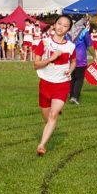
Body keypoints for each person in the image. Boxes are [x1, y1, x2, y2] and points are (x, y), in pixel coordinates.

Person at [33, 14, 75, 156]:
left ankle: (41, 145)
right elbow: (36, 65)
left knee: (52, 116)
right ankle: (54, 115)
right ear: (54, 24)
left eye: (65, 26)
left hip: (62, 85)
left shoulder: (70, 46)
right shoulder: (44, 43)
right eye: (59, 24)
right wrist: (51, 58)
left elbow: (74, 62)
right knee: (47, 118)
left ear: (68, 29)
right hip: (45, 83)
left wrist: (70, 70)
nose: (61, 27)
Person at [68, 19, 92, 105]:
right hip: (80, 58)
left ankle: (71, 96)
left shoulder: (68, 31)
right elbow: (89, 44)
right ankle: (75, 97)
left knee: (72, 78)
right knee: (79, 78)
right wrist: (94, 56)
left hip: (70, 58)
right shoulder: (84, 31)